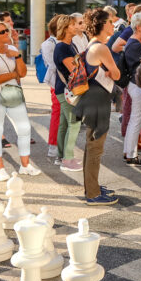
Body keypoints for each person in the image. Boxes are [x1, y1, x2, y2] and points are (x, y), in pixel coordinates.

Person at [0, 20, 39, 181]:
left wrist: (18, 56)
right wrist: (15, 75)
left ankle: (25, 165)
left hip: (13, 93)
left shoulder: (13, 49)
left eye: (6, 30)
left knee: (24, 128)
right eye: (2, 32)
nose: (7, 33)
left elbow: (23, 72)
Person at [74, 8, 121, 205]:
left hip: (91, 99)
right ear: (102, 25)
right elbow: (117, 74)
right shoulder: (101, 48)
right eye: (109, 22)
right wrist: (112, 72)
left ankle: (91, 187)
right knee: (95, 149)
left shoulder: (91, 45)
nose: (112, 25)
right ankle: (92, 194)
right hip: (97, 101)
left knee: (91, 147)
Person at [53, 15, 84, 172]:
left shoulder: (70, 45)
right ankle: (67, 159)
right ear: (65, 28)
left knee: (65, 123)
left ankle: (61, 155)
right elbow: (74, 69)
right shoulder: (62, 47)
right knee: (74, 122)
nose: (76, 27)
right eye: (73, 25)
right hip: (67, 90)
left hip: (65, 89)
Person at [122, 11, 141, 166]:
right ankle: (131, 154)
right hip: (137, 85)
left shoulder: (135, 43)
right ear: (139, 27)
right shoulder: (135, 44)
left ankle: (129, 152)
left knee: (135, 120)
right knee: (136, 120)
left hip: (135, 85)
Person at [40, 14, 63, 160]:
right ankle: (53, 146)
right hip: (57, 83)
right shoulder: (49, 43)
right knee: (57, 113)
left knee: (63, 115)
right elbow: (53, 65)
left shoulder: (66, 41)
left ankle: (60, 145)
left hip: (65, 83)